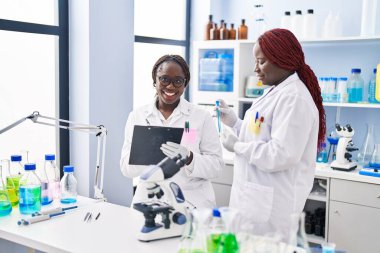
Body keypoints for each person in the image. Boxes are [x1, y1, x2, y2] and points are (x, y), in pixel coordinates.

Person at [218, 29, 326, 241]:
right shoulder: (276, 91)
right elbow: (260, 135)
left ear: (282, 60)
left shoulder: (294, 98)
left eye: (261, 61)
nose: (255, 69)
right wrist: (235, 122)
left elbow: (281, 154)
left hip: (272, 209)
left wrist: (237, 146)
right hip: (254, 201)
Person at [120, 54, 223, 209]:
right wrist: (145, 154)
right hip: (149, 199)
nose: (170, 86)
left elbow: (216, 166)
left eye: (178, 81)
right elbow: (126, 169)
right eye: (164, 79)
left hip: (191, 201)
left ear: (185, 84)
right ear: (155, 80)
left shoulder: (201, 117)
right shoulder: (138, 116)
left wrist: (189, 158)